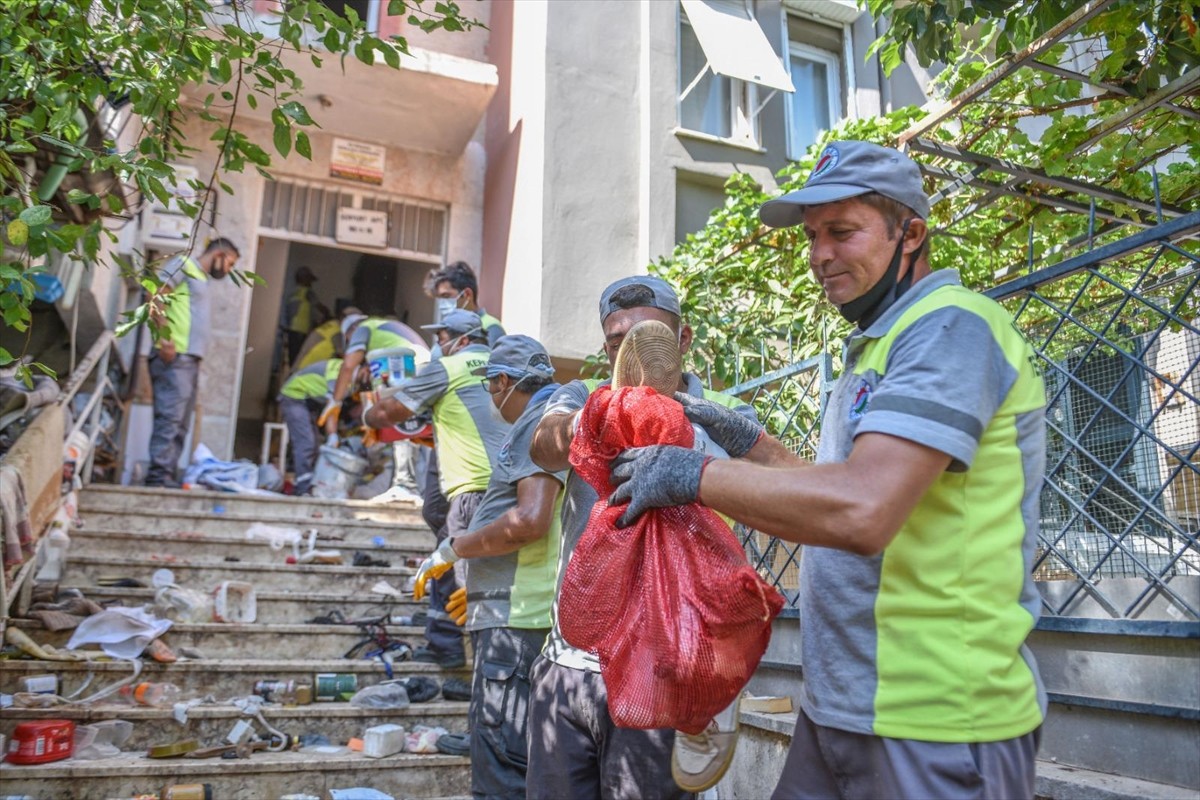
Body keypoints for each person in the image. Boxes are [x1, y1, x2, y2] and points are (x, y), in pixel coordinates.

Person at [608, 141, 1048, 800]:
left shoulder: (951, 328)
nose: (819, 255)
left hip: (938, 718)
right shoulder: (876, 346)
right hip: (843, 705)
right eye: (813, 237)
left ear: (912, 233)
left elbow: (862, 511)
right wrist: (750, 443)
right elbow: (835, 490)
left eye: (842, 232)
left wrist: (690, 472)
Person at [525, 276, 764, 800]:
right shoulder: (584, 398)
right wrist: (591, 424)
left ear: (683, 340)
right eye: (616, 341)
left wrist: (691, 447)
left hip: (664, 672)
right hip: (568, 666)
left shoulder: (725, 414)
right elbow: (543, 445)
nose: (631, 349)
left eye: (648, 335)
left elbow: (772, 491)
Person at [412, 334, 562, 799]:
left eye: (491, 388)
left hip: (516, 621)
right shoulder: (552, 418)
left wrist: (455, 548)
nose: (492, 398)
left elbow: (529, 521)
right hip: (520, 613)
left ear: (502, 382)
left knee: (501, 770)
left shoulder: (535, 423)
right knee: (523, 758)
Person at [364, 309, 511, 669]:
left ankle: (488, 678)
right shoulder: (502, 365)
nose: (438, 345)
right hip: (513, 486)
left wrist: (367, 414)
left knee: (472, 584)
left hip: (472, 490)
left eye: (442, 338)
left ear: (460, 340)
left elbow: (390, 412)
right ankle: (445, 640)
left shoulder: (448, 367)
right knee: (467, 561)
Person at [144, 237, 240, 488]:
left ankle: (166, 474)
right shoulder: (184, 264)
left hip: (189, 359)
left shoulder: (201, 278)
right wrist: (165, 338)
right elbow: (154, 293)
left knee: (181, 422)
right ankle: (157, 476)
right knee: (170, 418)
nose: (228, 270)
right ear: (219, 254)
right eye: (230, 263)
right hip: (174, 356)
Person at [321, 314, 432, 504]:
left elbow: (348, 365)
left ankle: (404, 486)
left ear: (350, 332)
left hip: (406, 365)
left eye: (348, 340)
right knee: (416, 431)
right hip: (424, 368)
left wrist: (335, 401)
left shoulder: (363, 328)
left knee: (400, 425)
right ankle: (416, 488)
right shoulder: (386, 330)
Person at [278, 357, 352, 496]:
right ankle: (303, 489)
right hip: (294, 396)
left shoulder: (349, 376)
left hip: (307, 401)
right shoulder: (339, 375)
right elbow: (332, 408)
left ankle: (308, 484)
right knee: (306, 443)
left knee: (315, 445)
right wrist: (332, 435)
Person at [428, 261, 506, 346]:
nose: (441, 304)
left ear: (467, 294)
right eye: (439, 298)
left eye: (446, 296)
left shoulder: (491, 328)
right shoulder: (449, 330)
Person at [282, 265, 326, 364]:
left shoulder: (292, 292)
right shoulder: (308, 293)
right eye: (309, 280)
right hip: (301, 331)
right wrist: (329, 314)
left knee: (292, 358)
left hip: (291, 330)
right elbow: (320, 307)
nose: (311, 283)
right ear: (304, 279)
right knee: (299, 360)